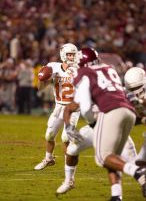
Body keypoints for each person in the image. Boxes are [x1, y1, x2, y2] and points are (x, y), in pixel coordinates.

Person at [57, 48, 146, 200]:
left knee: (105, 158)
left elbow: (85, 107)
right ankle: (114, 195)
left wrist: (93, 124)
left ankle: (141, 177)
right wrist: (69, 126)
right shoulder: (109, 70)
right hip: (106, 120)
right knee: (73, 151)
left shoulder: (85, 75)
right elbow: (71, 107)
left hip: (105, 120)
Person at [34, 43, 80, 170]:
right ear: (63, 55)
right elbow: (40, 88)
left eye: (73, 55)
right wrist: (42, 78)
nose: (72, 57)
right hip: (59, 106)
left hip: (72, 108)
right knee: (49, 135)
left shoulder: (79, 69)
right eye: (69, 54)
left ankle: (68, 166)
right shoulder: (53, 67)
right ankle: (48, 159)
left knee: (66, 138)